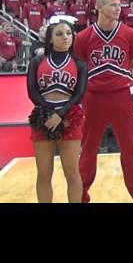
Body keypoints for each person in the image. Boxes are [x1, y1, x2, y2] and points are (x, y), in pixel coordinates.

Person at [74, 0, 133, 203]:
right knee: (88, 149)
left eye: (119, 5)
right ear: (98, 6)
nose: (118, 8)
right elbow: (79, 70)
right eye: (112, 4)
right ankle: (80, 195)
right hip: (93, 97)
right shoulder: (83, 37)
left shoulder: (129, 34)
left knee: (130, 147)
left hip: (121, 95)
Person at [27, 17, 87, 203]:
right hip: (43, 118)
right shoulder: (37, 61)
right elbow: (32, 91)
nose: (65, 37)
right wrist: (48, 113)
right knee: (44, 173)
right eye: (60, 34)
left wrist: (60, 115)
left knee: (72, 172)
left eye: (69, 33)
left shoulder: (80, 64)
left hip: (69, 118)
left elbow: (79, 94)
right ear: (50, 38)